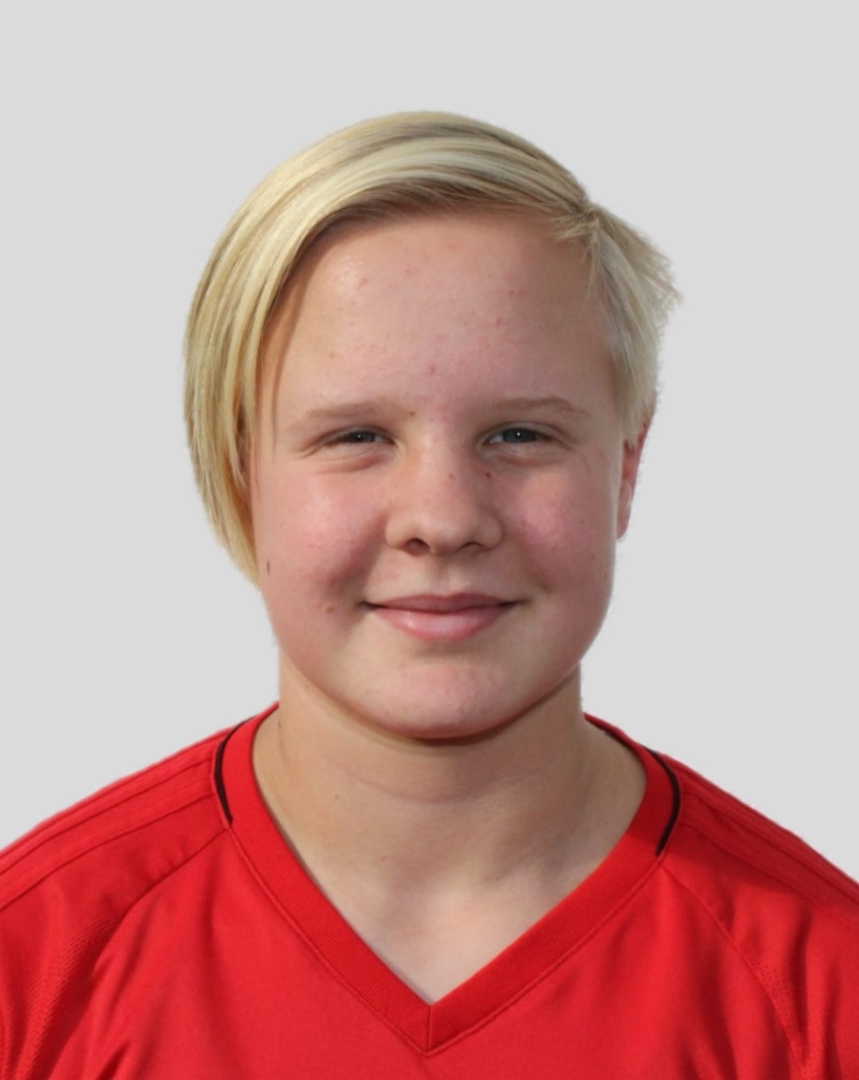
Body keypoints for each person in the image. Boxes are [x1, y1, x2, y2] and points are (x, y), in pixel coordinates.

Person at [1, 112, 857, 1079]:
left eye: (520, 435)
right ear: (239, 474)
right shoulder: (33, 969)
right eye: (356, 436)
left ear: (625, 466)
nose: (443, 519)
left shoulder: (822, 993)